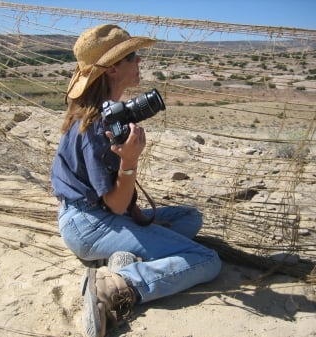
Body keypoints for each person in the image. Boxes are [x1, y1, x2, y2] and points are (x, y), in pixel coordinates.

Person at [51, 24, 221, 337]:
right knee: (206, 260)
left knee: (189, 217)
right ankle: (116, 286)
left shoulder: (103, 113)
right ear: (113, 68)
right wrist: (129, 161)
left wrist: (137, 215)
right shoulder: (95, 127)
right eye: (134, 56)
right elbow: (115, 205)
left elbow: (117, 202)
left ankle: (121, 257)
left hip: (90, 216)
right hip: (89, 223)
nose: (140, 62)